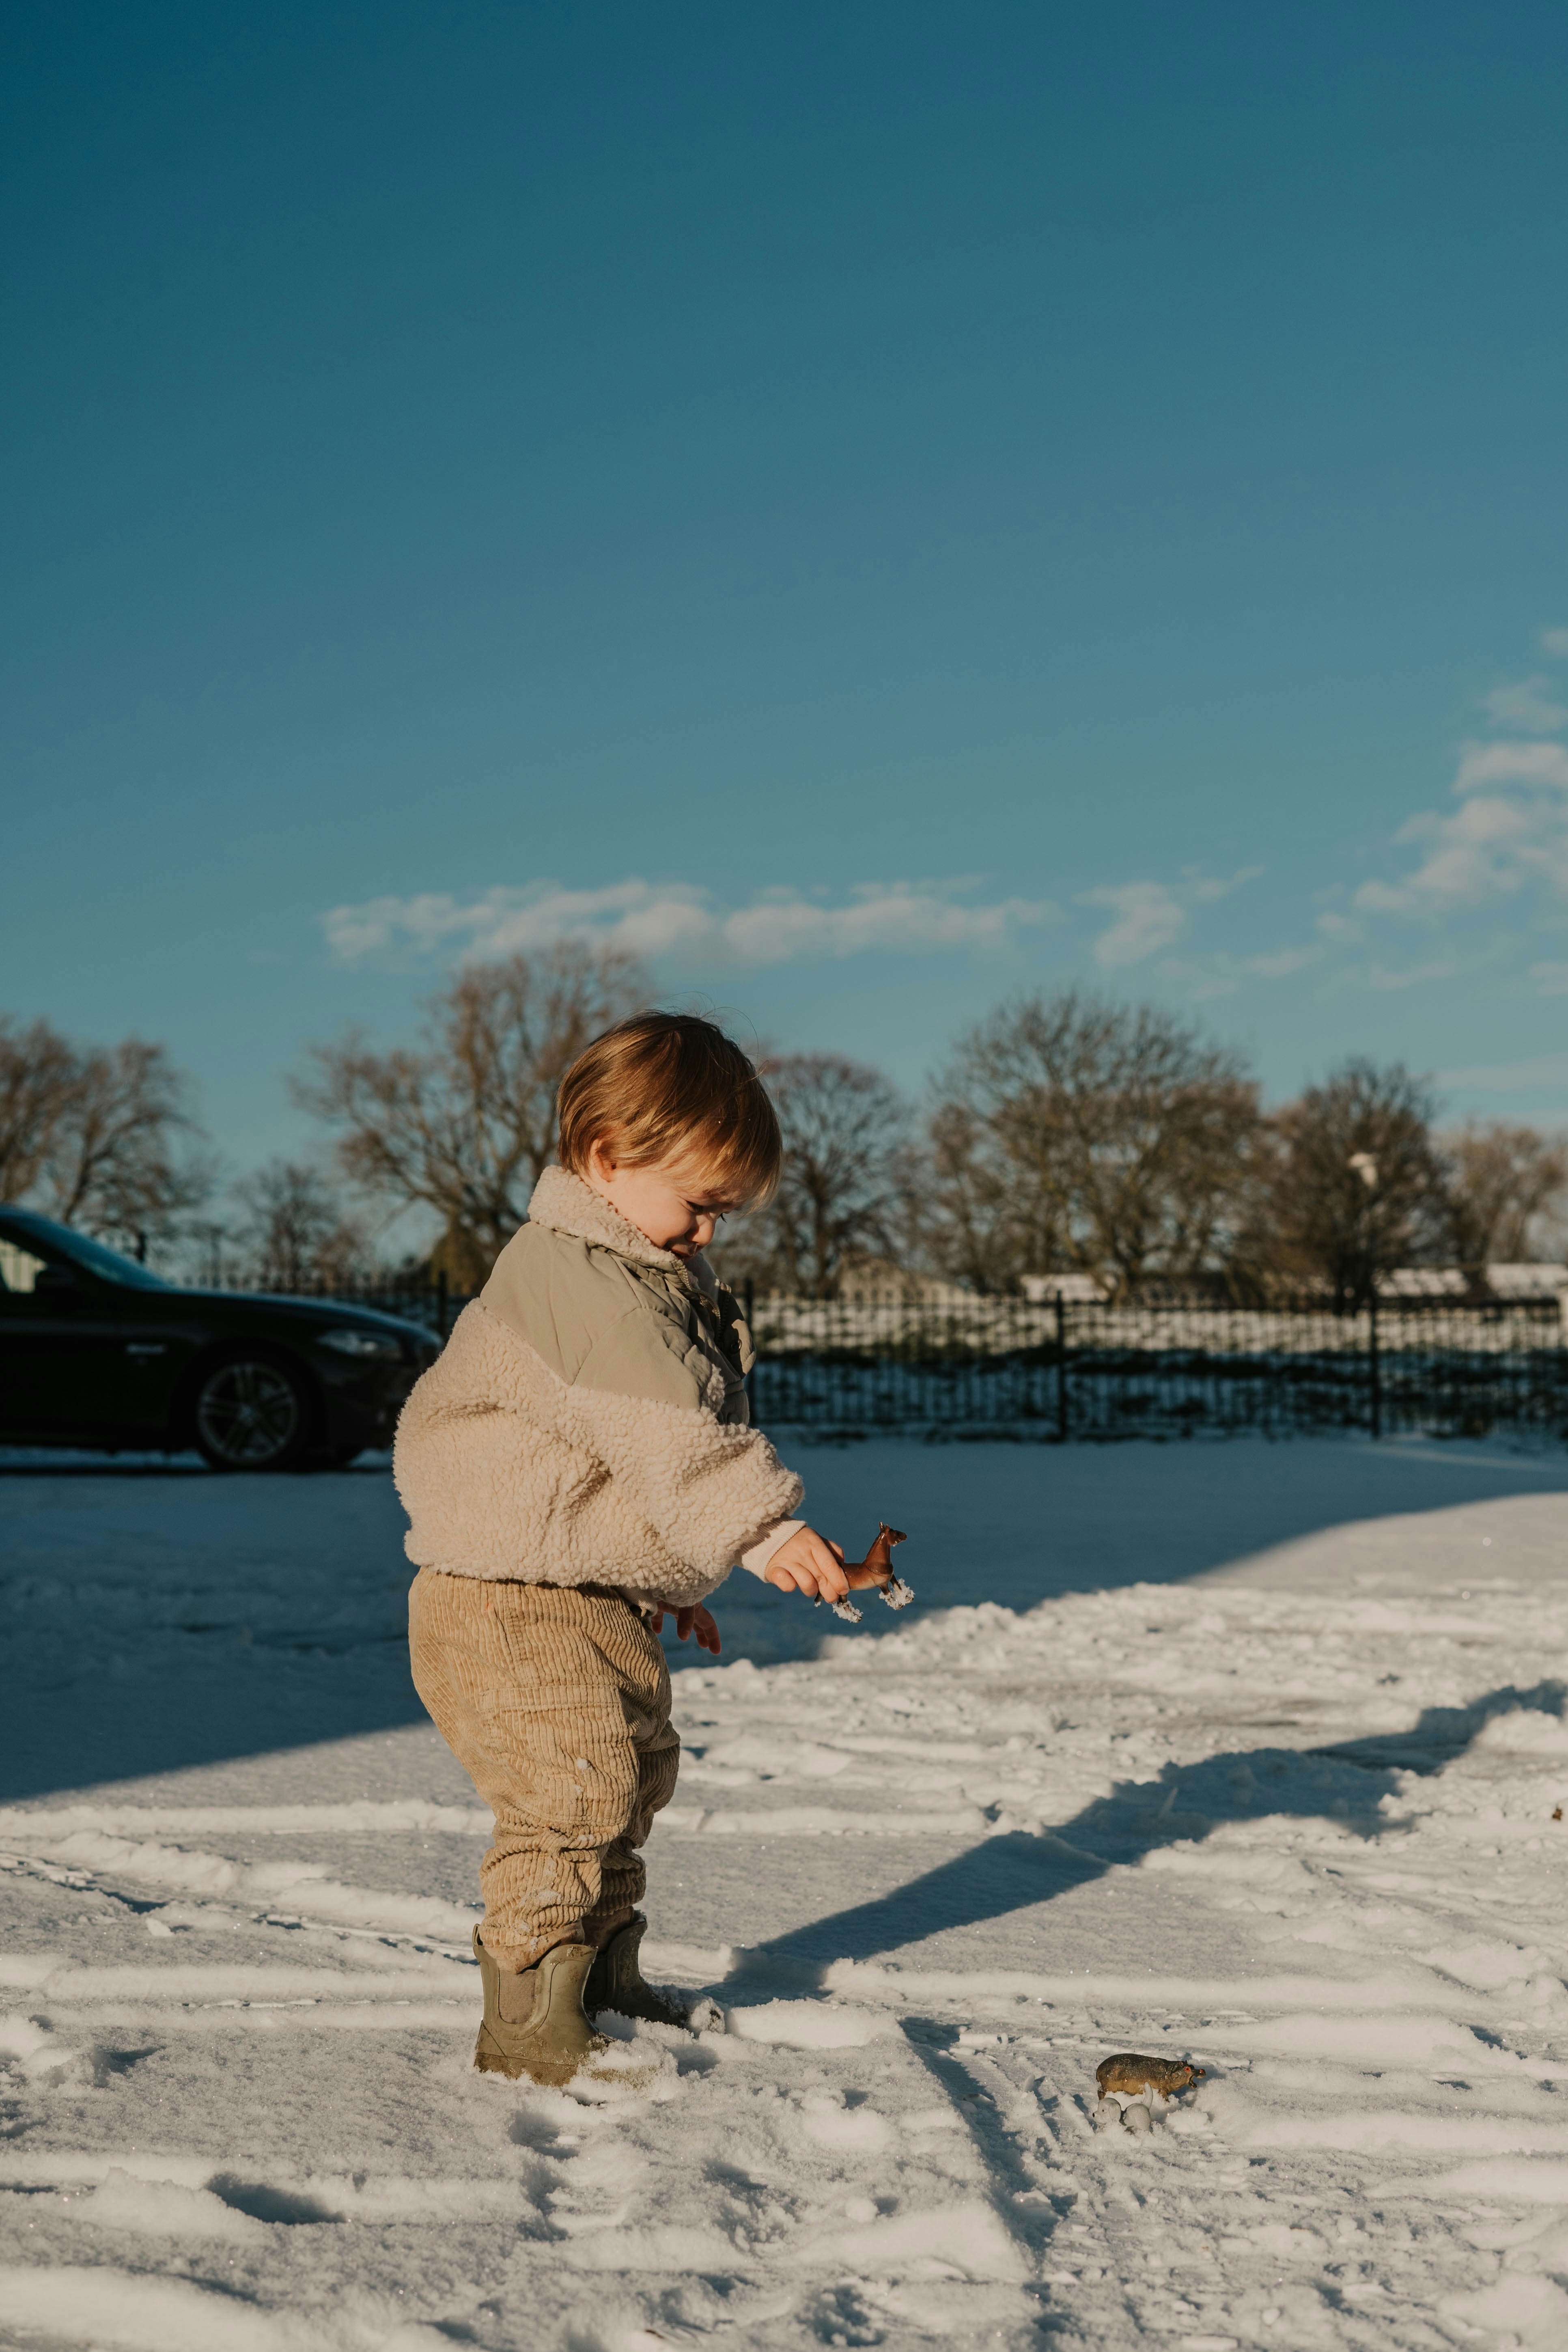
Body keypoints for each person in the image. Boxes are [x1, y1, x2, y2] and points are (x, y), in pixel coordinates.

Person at [394, 1010, 890, 2085]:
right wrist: (762, 1529)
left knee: (630, 1777)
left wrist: (653, 1571)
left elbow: (600, 1459)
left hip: (570, 1586)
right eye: (700, 1204)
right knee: (572, 1789)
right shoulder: (582, 1281)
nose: (709, 1231)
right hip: (502, 1598)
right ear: (608, 1159)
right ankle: (530, 2013)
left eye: (725, 1211)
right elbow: (675, 1436)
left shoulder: (629, 1270)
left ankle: (602, 1981)